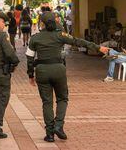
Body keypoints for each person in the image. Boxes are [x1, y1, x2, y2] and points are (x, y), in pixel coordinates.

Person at [26, 12, 109, 142]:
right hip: (58, 70)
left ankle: (49, 134)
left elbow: (29, 58)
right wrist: (98, 47)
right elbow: (78, 41)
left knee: (47, 102)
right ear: (55, 22)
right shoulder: (60, 35)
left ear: (41, 23)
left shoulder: (35, 38)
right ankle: (58, 125)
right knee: (62, 98)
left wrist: (31, 75)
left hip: (42, 71)